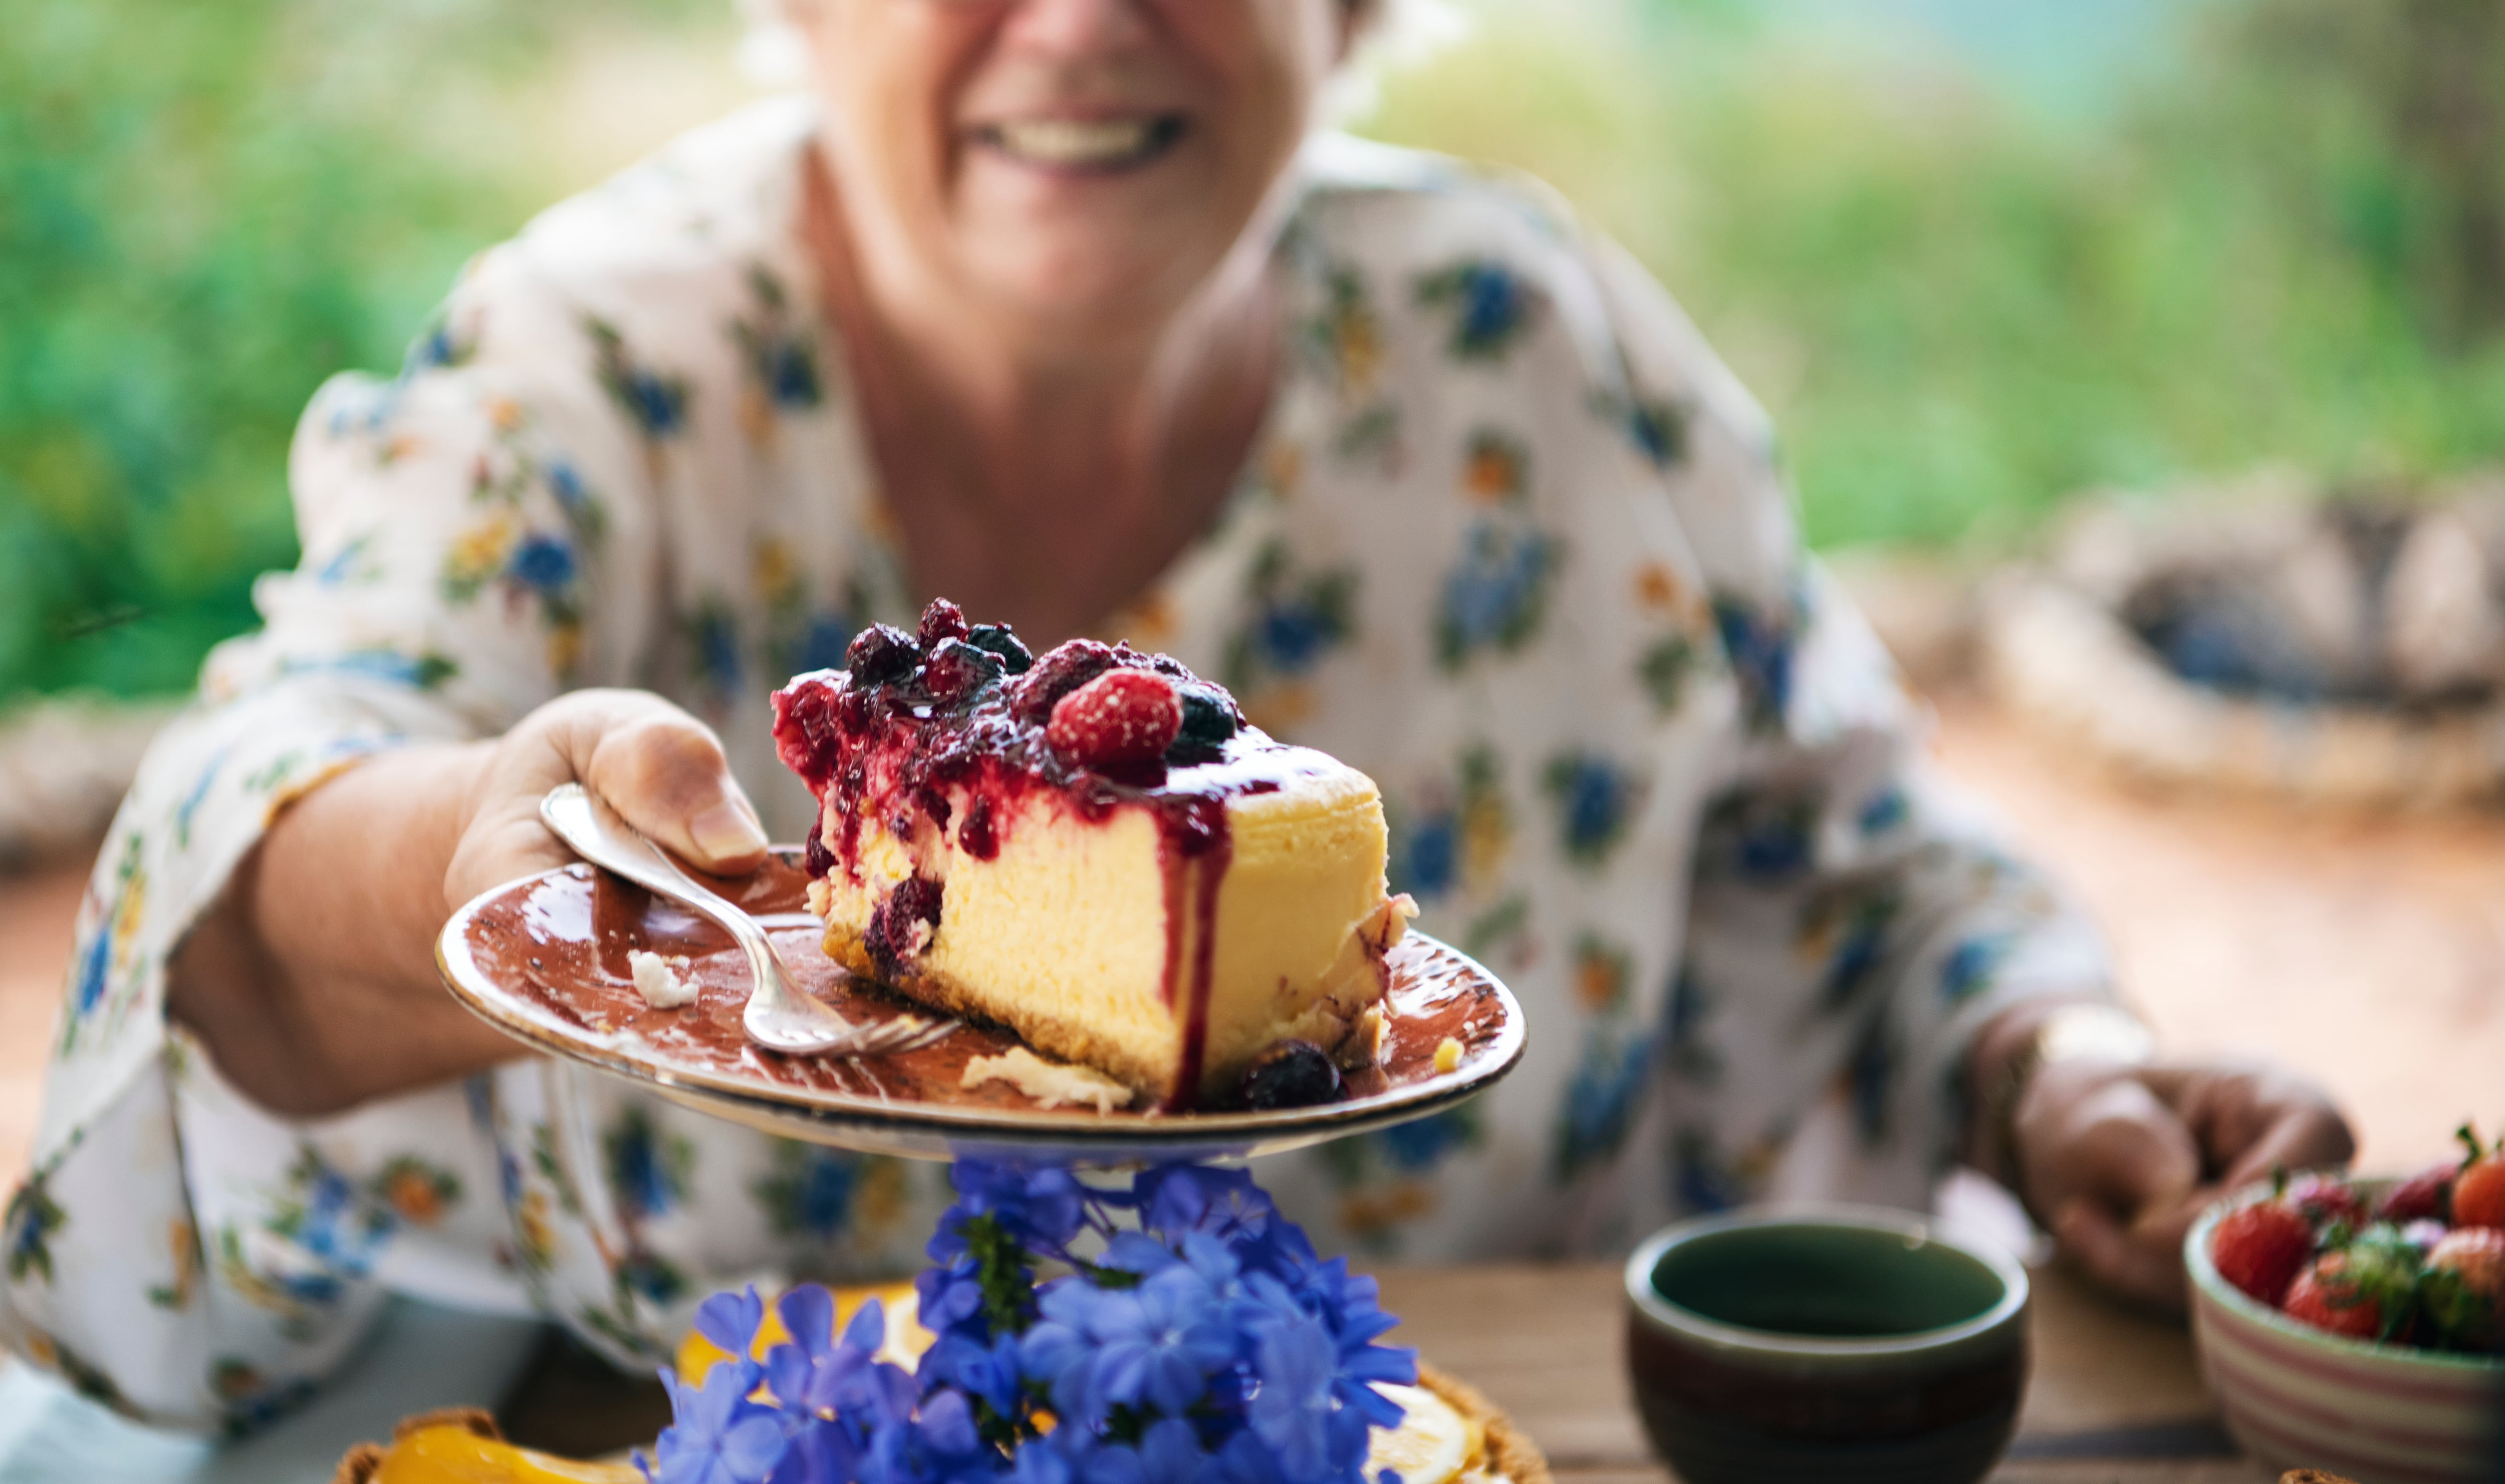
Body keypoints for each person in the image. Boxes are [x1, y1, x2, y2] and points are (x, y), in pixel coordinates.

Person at [4, 0, 2350, 1430]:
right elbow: (230, 850)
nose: (1080, 16)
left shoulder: (1546, 362)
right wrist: (474, 862)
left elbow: (1862, 858)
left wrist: (2061, 1060)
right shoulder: (595, 379)